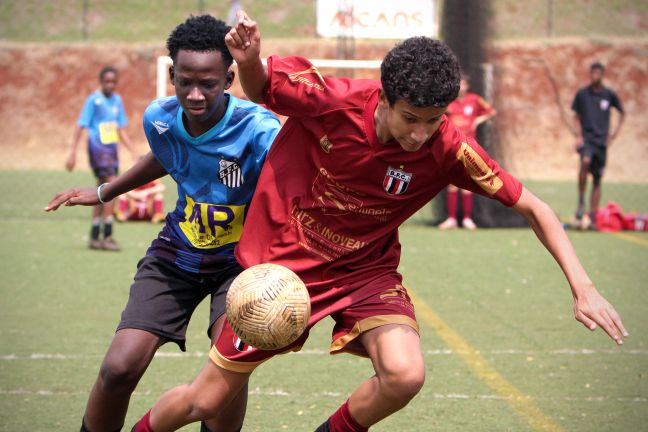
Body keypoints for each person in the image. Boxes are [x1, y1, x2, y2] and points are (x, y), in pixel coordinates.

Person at [130, 11, 628, 432]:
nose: (422, 133)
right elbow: (263, 91)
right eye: (411, 118)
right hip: (282, 273)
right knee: (206, 402)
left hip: (365, 275)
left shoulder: (449, 147)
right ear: (385, 98)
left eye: (435, 119)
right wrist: (250, 60)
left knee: (405, 374)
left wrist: (582, 286)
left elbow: (534, 207)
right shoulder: (335, 101)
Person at [45, 15, 281, 432]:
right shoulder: (159, 118)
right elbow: (166, 156)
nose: (194, 94)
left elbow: (289, 186)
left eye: (207, 84)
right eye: (184, 81)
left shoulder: (259, 130)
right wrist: (106, 192)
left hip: (240, 264)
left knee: (227, 371)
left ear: (228, 78)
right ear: (171, 74)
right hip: (178, 251)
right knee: (119, 368)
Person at [67, 66, 138, 251]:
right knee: (111, 188)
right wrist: (72, 152)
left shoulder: (117, 100)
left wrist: (132, 150)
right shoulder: (94, 100)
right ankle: (107, 236)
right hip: (97, 149)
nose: (110, 85)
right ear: (101, 82)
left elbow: (119, 128)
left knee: (100, 190)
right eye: (107, 81)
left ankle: (94, 235)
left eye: (113, 82)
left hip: (111, 150)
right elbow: (81, 125)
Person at [438, 73, 496, 230]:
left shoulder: (475, 100)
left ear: (467, 86)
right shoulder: (448, 101)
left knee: (466, 184)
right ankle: (451, 219)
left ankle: (467, 219)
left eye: (463, 84)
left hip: (469, 148)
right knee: (451, 183)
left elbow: (491, 111)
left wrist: (477, 121)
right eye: (459, 84)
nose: (461, 87)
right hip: (451, 147)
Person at [571, 62, 625, 230]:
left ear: (602, 74)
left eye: (598, 73)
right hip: (587, 139)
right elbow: (575, 116)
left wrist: (613, 134)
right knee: (585, 161)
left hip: (601, 142)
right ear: (590, 74)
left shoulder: (609, 95)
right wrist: (579, 136)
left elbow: (622, 113)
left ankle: (593, 216)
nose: (595, 75)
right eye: (593, 72)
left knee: (597, 179)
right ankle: (581, 201)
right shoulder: (582, 94)